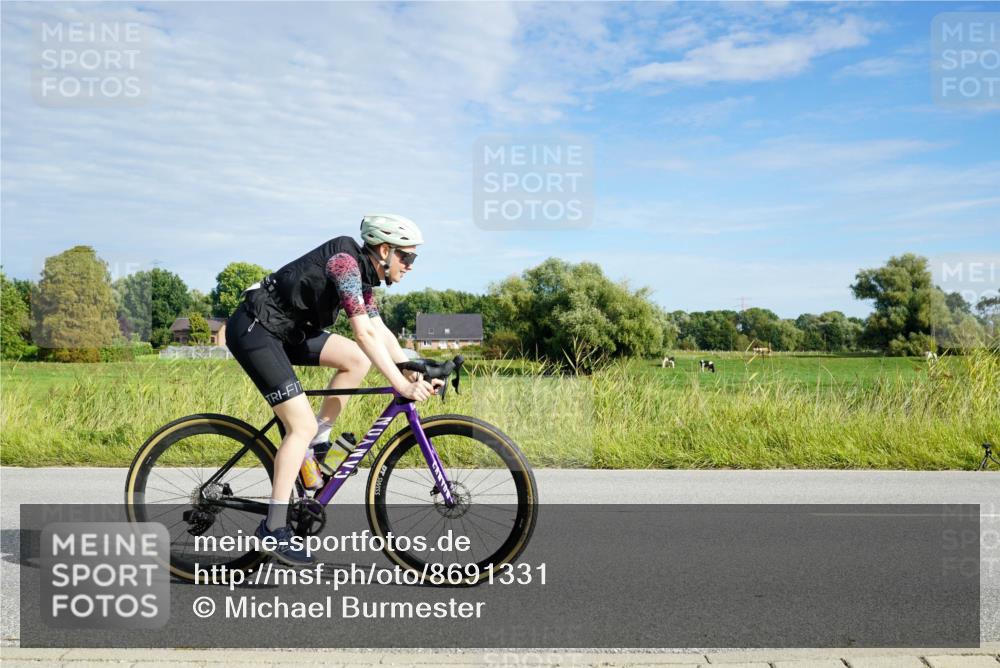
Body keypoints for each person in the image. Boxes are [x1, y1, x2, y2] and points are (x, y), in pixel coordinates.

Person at [225, 214, 441, 566]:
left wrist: (411, 368)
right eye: (408, 257)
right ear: (385, 250)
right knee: (300, 425)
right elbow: (363, 333)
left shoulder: (363, 274)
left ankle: (317, 443)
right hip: (257, 329)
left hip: (287, 331)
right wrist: (399, 384)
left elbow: (378, 329)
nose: (411, 266)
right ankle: (273, 528)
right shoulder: (344, 263)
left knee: (356, 360)